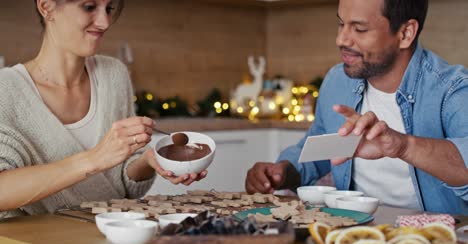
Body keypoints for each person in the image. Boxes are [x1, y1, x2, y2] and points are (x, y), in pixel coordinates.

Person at [245, 0, 468, 214]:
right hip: (354, 235)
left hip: (434, 242)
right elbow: (321, 148)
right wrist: (283, 172)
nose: (341, 39)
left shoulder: (451, 89)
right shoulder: (337, 80)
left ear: (405, 33)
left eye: (359, 29)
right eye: (341, 24)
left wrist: (402, 146)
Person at [0, 0, 206, 219]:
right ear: (46, 7)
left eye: (109, 9)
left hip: (111, 237)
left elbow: (121, 182)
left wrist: (146, 161)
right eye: (89, 7)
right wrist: (94, 159)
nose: (104, 22)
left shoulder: (113, 75)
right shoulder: (6, 90)